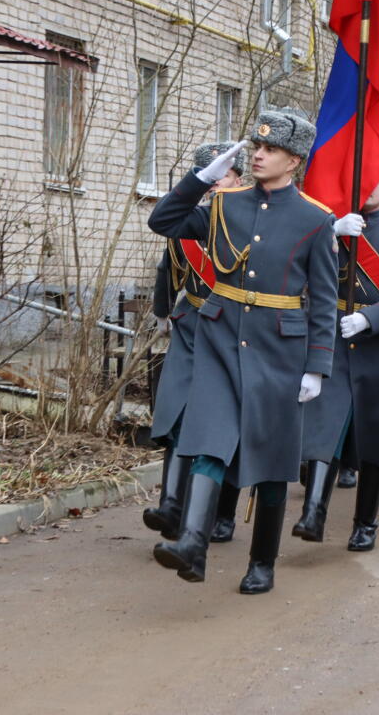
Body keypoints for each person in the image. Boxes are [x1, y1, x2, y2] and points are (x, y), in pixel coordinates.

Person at [147, 111, 338, 594]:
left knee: (272, 461)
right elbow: (163, 220)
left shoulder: (315, 219)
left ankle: (263, 561)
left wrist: (317, 365)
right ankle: (192, 542)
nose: (257, 154)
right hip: (219, 336)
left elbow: (324, 298)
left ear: (293, 160)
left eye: (270, 150)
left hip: (280, 349)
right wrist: (200, 180)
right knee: (209, 438)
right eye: (256, 145)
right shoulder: (223, 205)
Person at [293, 169, 379, 550]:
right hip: (331, 335)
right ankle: (313, 511)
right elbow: (296, 268)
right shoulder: (329, 225)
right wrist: (329, 234)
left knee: (375, 438)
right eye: (358, 179)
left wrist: (371, 317)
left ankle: (365, 522)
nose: (364, 188)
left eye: (374, 181)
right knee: (324, 424)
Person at [143, 142, 247, 545]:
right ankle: (171, 505)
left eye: (223, 176)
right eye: (210, 178)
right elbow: (170, 265)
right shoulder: (192, 221)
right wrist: (163, 309)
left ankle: (223, 513)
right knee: (177, 415)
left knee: (226, 424)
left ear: (239, 180)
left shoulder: (252, 220)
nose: (216, 185)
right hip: (192, 324)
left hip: (235, 330)